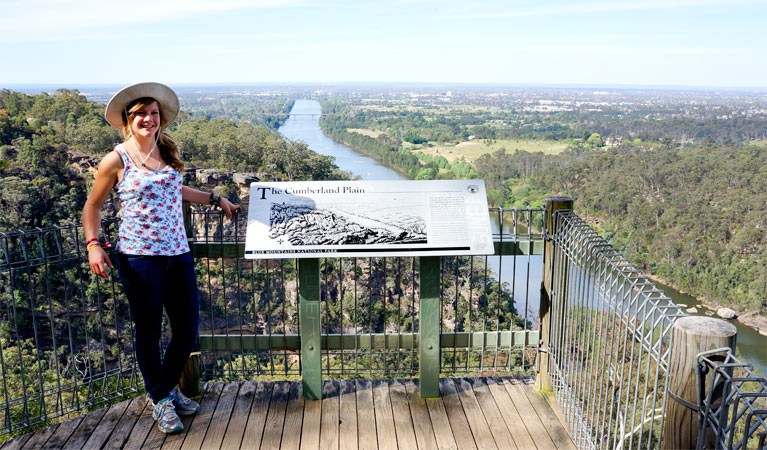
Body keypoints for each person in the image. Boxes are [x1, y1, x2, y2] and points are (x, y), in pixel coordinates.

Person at [82, 82, 240, 434]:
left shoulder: (165, 151)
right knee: (149, 332)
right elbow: (92, 205)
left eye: (154, 113)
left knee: (186, 331)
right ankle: (162, 399)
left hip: (178, 255)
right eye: (141, 113)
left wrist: (215, 199)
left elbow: (174, 188)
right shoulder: (116, 159)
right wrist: (93, 244)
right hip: (140, 260)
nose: (148, 119)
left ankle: (165, 390)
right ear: (127, 119)